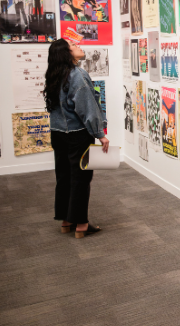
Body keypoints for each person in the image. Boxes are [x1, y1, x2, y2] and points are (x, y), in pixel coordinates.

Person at [44, 38, 109, 239]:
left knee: (63, 177)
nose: (79, 47)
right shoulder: (78, 75)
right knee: (80, 179)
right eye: (73, 46)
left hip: (58, 133)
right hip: (78, 135)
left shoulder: (55, 75)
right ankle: (81, 224)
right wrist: (100, 134)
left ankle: (66, 220)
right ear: (67, 53)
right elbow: (87, 109)